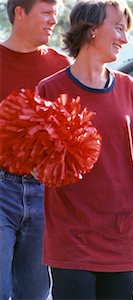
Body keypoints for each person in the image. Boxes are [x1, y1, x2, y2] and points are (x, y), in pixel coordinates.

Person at [36, 1, 133, 298]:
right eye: (118, 28)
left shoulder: (129, 89)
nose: (124, 39)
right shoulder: (49, 90)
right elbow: (38, 163)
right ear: (90, 30)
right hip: (71, 237)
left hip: (122, 236)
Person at [0, 0, 70, 298]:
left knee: (34, 293)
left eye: (55, 14)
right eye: (46, 13)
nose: (53, 21)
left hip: (46, 193)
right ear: (19, 12)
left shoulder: (63, 67)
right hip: (1, 187)